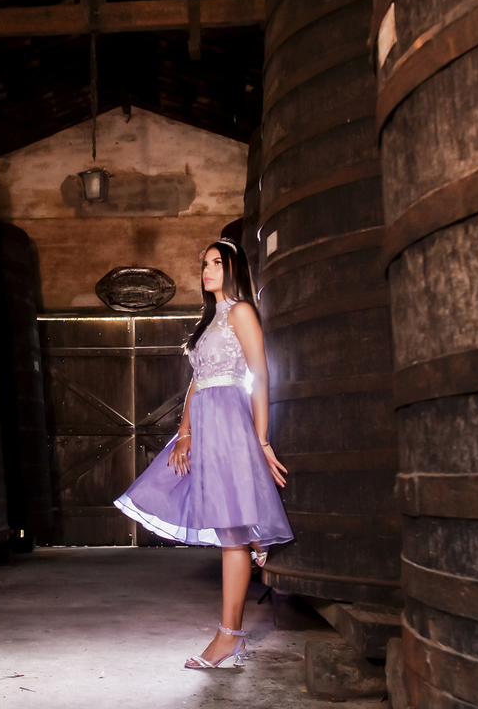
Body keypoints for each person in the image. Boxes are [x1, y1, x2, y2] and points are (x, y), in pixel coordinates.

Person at [114, 238, 293, 669]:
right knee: (215, 520)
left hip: (231, 422)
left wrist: (262, 440)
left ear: (233, 268)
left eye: (216, 263)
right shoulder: (208, 321)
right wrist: (185, 431)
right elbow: (196, 381)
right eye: (204, 264)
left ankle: (229, 635)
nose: (207, 270)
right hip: (205, 426)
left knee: (232, 533)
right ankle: (251, 555)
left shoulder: (242, 313)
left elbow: (262, 375)